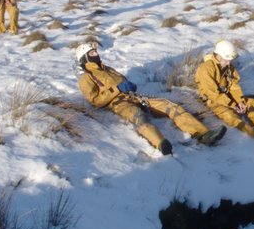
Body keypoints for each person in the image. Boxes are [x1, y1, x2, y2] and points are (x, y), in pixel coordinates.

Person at [76, 43, 225, 155]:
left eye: (96, 51)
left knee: (169, 105)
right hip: (118, 103)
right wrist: (117, 89)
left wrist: (129, 86)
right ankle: (161, 144)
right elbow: (94, 100)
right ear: (86, 57)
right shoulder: (85, 78)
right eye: (93, 52)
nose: (97, 54)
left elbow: (121, 82)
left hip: (134, 96)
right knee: (139, 117)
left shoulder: (107, 69)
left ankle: (203, 134)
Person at [195, 39, 254, 141]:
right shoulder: (205, 69)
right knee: (230, 116)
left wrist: (240, 102)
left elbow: (234, 86)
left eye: (230, 60)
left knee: (252, 103)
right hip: (214, 101)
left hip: (228, 97)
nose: (229, 63)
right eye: (227, 60)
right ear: (218, 56)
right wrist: (233, 105)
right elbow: (213, 94)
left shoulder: (228, 67)